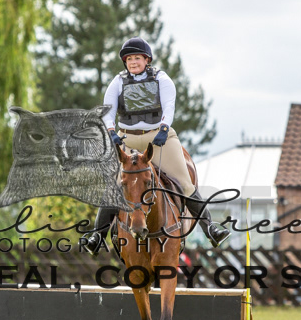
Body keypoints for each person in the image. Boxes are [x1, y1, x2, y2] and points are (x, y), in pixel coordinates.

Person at [83, 37, 230, 254]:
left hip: (159, 138)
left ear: (147, 60)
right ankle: (97, 236)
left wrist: (163, 128)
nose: (133, 62)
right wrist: (111, 131)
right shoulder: (117, 82)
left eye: (137, 58)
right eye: (129, 59)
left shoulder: (162, 79)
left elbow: (169, 106)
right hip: (127, 138)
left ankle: (210, 229)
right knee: (113, 187)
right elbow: (108, 110)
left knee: (184, 182)